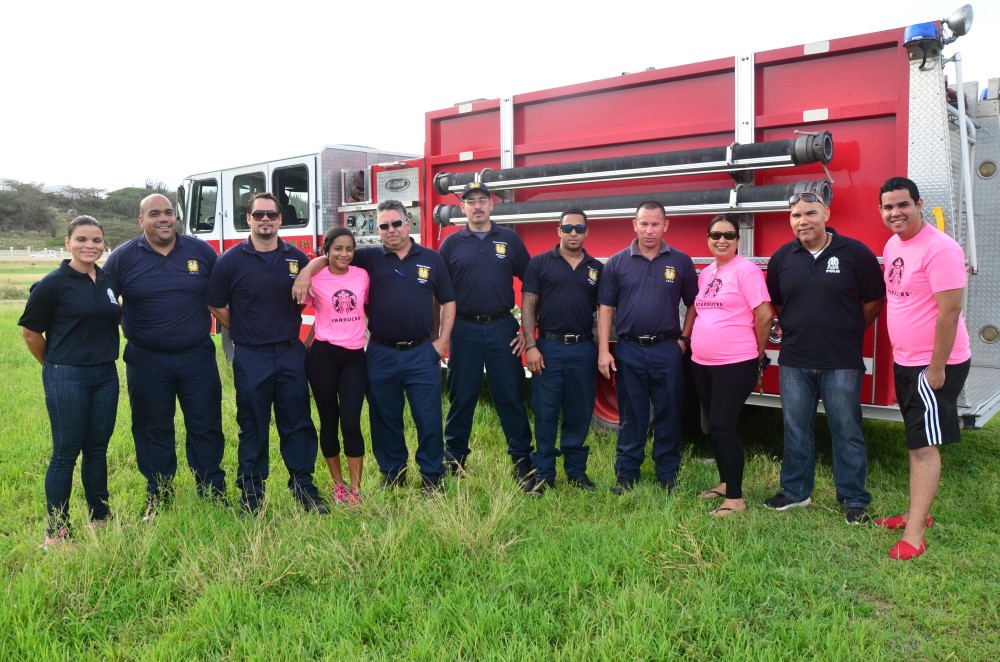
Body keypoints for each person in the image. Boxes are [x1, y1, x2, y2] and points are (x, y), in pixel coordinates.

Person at [293, 199, 456, 492]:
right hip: (380, 351)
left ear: (409, 224)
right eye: (383, 226)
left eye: (396, 223)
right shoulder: (368, 257)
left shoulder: (431, 258)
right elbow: (332, 255)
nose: (391, 230)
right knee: (385, 418)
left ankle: (432, 476)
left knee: (428, 417)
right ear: (377, 230)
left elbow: (448, 300)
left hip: (422, 351)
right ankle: (393, 474)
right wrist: (307, 271)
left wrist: (442, 341)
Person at [764, 190, 885, 524]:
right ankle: (794, 491)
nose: (803, 221)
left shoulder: (855, 253)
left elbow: (874, 299)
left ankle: (854, 499)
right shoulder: (782, 258)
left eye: (810, 214)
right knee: (795, 428)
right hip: (795, 359)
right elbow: (778, 303)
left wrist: (849, 328)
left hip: (841, 360)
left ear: (826, 214)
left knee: (846, 429)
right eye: (796, 216)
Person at [103, 193, 226, 519]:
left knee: (206, 424)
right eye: (154, 213)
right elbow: (101, 300)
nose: (163, 218)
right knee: (152, 427)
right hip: (146, 359)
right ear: (141, 220)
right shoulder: (123, 258)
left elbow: (225, 292)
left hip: (196, 356)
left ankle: (211, 489)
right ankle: (159, 493)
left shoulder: (200, 252)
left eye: (169, 212)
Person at [206, 192, 328, 514]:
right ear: (248, 219)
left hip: (290, 353)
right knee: (253, 425)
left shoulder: (295, 259)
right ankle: (251, 494)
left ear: (280, 219)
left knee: (298, 422)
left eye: (271, 215)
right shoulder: (231, 261)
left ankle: (304, 487)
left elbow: (324, 268)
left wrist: (307, 269)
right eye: (258, 215)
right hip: (252, 356)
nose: (265, 220)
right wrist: (244, 327)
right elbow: (215, 303)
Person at [877, 176, 971, 560]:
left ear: (919, 204)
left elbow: (949, 312)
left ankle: (914, 536)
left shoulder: (941, 249)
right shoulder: (895, 243)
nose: (895, 213)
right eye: (888, 207)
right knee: (916, 440)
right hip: (907, 362)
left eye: (902, 205)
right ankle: (916, 513)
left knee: (923, 448)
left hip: (933, 366)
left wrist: (935, 369)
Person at [19, 216, 120, 548]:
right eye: (81, 240)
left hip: (105, 375)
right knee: (66, 452)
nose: (89, 246)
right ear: (67, 243)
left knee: (97, 450)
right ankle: (57, 531)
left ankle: (100, 517)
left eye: (96, 240)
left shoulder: (107, 280)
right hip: (67, 375)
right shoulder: (52, 284)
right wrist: (54, 365)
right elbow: (31, 332)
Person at [597, 201, 698, 494]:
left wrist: (683, 341)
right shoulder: (617, 262)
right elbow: (605, 308)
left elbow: (693, 303)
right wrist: (604, 350)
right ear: (634, 225)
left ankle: (667, 474)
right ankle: (627, 474)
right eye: (644, 224)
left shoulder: (680, 261)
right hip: (629, 350)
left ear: (666, 226)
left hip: (667, 349)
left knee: (669, 413)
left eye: (655, 224)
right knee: (632, 414)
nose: (649, 230)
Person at [439, 182, 534, 488]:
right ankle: (454, 460)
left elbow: (533, 285)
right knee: (461, 397)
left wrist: (527, 332)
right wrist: (438, 336)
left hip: (501, 329)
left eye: (483, 200)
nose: (477, 206)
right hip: (463, 330)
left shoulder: (509, 239)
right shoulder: (451, 245)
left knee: (510, 396)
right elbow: (437, 293)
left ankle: (522, 462)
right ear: (462, 208)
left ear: (492, 205)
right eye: (471, 202)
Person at [688, 216, 773, 516]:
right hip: (702, 363)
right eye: (715, 235)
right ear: (708, 238)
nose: (721, 240)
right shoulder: (707, 272)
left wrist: (757, 352)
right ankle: (725, 483)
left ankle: (735, 499)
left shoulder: (746, 271)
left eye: (729, 235)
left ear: (738, 240)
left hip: (735, 363)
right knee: (714, 427)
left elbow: (764, 315)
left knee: (724, 425)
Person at [520, 208, 603, 495]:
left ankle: (576, 472)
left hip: (583, 349)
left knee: (579, 412)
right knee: (545, 412)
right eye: (568, 228)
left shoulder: (595, 268)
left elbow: (603, 312)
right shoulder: (540, 263)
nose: (573, 234)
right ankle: (543, 473)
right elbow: (528, 306)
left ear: (587, 232)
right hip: (549, 347)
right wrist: (531, 346)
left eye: (579, 229)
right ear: (558, 231)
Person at [303, 227, 369, 505]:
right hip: (323, 356)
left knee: (351, 422)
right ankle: (338, 486)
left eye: (349, 249)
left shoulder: (362, 275)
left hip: (354, 355)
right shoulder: (315, 277)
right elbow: (299, 300)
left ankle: (355, 490)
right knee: (329, 422)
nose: (344, 254)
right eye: (338, 248)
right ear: (327, 250)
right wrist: (308, 269)